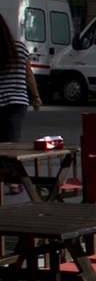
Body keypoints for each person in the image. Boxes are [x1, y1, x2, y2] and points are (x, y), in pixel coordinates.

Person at [0, 14, 40, 193]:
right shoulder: (20, 48)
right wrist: (36, 96)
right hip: (18, 102)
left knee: (2, 142)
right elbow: (29, 75)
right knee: (12, 142)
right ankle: (14, 182)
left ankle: (7, 179)